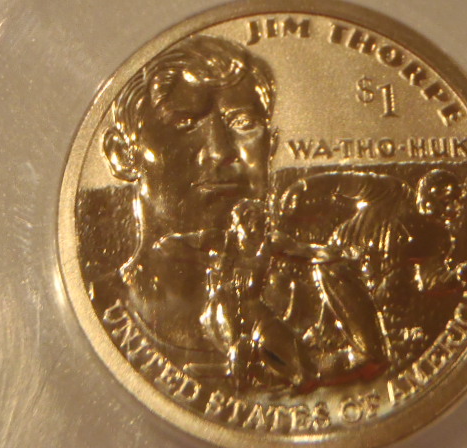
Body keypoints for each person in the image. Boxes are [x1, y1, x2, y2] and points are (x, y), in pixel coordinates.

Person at [99, 34, 389, 388]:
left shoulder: (327, 293)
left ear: (271, 148)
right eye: (185, 123)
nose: (221, 151)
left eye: (244, 124)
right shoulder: (101, 303)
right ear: (122, 154)